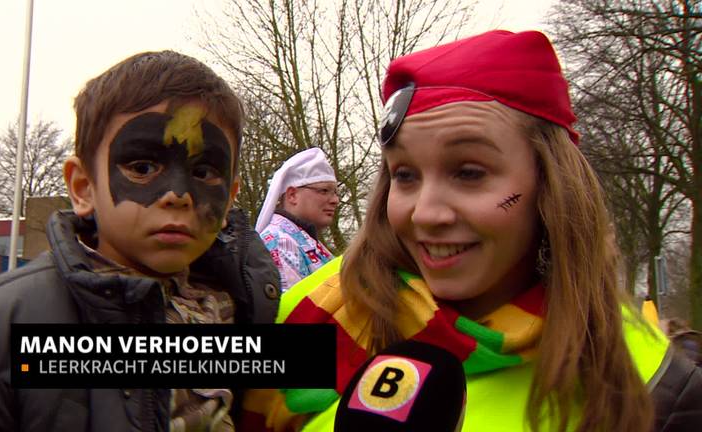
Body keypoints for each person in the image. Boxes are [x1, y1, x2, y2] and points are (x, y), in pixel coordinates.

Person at [242, 30, 702, 431]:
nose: (425, 213)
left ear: (551, 187)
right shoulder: (318, 318)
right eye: (404, 175)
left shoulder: (656, 384)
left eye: (468, 172)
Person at [0, 51, 281, 431]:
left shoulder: (240, 309)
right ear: (83, 188)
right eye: (143, 167)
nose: (178, 195)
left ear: (231, 198)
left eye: (203, 171)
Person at [255, 148, 338, 291]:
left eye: (336, 192)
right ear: (292, 195)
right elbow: (291, 312)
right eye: (324, 191)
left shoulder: (305, 240)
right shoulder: (279, 243)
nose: (335, 200)